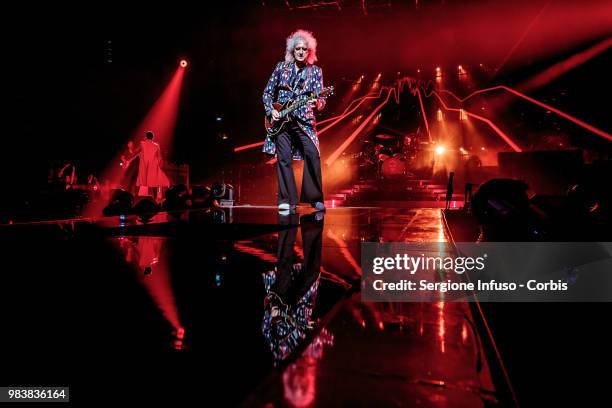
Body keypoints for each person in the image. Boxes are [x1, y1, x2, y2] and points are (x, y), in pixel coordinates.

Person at [262, 29, 326, 212]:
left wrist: (318, 102)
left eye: (304, 49)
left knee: (313, 153)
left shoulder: (315, 72)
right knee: (284, 159)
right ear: (292, 50)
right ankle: (287, 200)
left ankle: (314, 198)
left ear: (309, 52)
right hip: (281, 118)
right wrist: (271, 110)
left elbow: (322, 99)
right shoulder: (281, 67)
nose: (300, 52)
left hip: (304, 119)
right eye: (297, 48)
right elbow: (267, 92)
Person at [134, 131, 170, 200]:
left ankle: (136, 198)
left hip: (144, 166)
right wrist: (159, 165)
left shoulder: (142, 143)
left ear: (146, 137)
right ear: (153, 137)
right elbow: (159, 157)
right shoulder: (156, 145)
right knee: (154, 182)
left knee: (142, 181)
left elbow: (136, 151)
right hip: (153, 166)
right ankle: (155, 199)